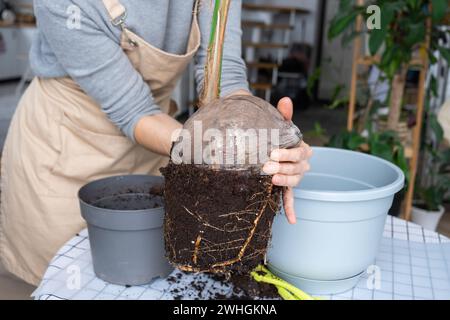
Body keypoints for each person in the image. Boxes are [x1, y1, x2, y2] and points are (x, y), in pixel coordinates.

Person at [0, 0, 312, 286]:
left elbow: (222, 78)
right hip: (67, 145)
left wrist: (264, 135)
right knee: (72, 280)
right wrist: (223, 152)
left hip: (160, 143)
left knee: (150, 274)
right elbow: (133, 110)